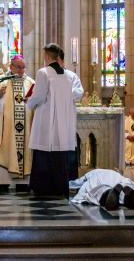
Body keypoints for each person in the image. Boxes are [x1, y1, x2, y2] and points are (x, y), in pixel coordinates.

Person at [26, 43, 79, 198]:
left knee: (44, 152)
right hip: (63, 122)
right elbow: (76, 94)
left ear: (48, 56)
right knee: (59, 154)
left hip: (46, 120)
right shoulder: (69, 75)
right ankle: (60, 187)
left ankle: (43, 188)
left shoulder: (43, 73)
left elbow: (39, 96)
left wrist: (29, 102)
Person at [0, 55, 34, 192]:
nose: (21, 70)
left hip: (26, 128)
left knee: (25, 149)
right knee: (4, 148)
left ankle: (23, 183)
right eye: (18, 67)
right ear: (11, 66)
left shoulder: (30, 82)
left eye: (23, 67)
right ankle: (3, 182)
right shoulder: (0, 81)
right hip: (5, 127)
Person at [58, 48, 84, 180]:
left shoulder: (71, 76)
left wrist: (63, 92)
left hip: (66, 119)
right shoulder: (45, 75)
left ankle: (70, 179)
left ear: (61, 60)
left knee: (68, 147)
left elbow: (79, 92)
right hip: (51, 121)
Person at [70, 169, 134, 210]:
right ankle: (130, 196)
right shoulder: (114, 172)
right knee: (124, 185)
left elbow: (76, 183)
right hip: (117, 178)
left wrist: (67, 185)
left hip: (99, 179)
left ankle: (109, 193)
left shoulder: (92, 173)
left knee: (99, 190)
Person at [0, 1, 14, 67]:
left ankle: (5, 64)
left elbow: (11, 24)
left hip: (4, 37)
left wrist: (7, 26)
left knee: (4, 50)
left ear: (2, 9)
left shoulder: (6, 16)